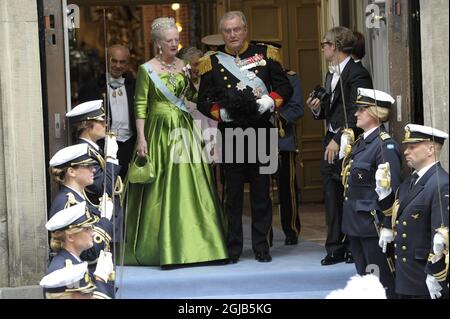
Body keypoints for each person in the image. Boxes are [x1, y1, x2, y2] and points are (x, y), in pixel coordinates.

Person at [123, 17, 228, 267]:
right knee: (164, 186)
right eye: (169, 41)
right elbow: (140, 105)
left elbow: (191, 96)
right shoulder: (146, 69)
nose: (174, 44)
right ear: (158, 43)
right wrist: (141, 137)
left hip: (184, 128)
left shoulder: (182, 64)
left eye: (176, 40)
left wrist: (194, 79)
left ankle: (203, 246)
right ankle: (166, 249)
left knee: (193, 186)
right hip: (158, 130)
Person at [197, 11, 293, 263]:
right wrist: (220, 113)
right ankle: (233, 248)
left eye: (236, 29)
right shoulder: (213, 61)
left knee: (262, 194)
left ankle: (262, 247)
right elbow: (203, 100)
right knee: (233, 196)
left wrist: (269, 102)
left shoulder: (267, 54)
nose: (232, 35)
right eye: (227, 31)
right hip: (231, 134)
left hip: (261, 132)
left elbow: (285, 87)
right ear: (223, 34)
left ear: (245, 30)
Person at [306, 26, 373, 266]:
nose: (322, 47)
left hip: (350, 144)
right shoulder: (330, 74)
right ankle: (334, 247)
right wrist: (316, 109)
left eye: (325, 44)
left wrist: (340, 138)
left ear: (334, 47)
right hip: (330, 142)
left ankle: (352, 247)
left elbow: (359, 111)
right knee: (331, 195)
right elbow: (329, 111)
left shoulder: (358, 73)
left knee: (350, 196)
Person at [341, 88, 401, 299]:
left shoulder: (385, 145)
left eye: (361, 110)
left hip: (373, 227)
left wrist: (387, 225)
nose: (356, 114)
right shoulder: (361, 142)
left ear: (375, 113)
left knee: (380, 284)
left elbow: (391, 189)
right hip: (356, 224)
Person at [377, 124, 449, 298]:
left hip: (423, 277)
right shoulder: (410, 182)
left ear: (430, 149)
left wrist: (436, 274)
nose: (406, 151)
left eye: (412, 146)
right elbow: (400, 217)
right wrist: (384, 194)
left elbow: (441, 234)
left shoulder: (441, 183)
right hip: (406, 274)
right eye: (406, 147)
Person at [45, 144, 116, 298]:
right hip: (87, 276)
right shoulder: (66, 202)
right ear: (71, 171)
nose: (94, 170)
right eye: (88, 166)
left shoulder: (80, 198)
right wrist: (104, 220)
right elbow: (87, 252)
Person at [66, 99, 123, 243]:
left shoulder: (93, 149)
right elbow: (105, 188)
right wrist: (111, 157)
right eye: (101, 121)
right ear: (86, 124)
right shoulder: (83, 153)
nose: (105, 124)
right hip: (97, 221)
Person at [78, 44, 136, 180]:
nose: (118, 65)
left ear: (128, 64)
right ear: (106, 61)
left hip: (129, 145)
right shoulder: (91, 87)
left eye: (122, 62)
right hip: (103, 145)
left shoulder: (135, 86)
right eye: (114, 61)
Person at [40, 201, 115, 299]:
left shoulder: (73, 260)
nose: (93, 233)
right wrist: (101, 278)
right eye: (87, 229)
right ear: (70, 236)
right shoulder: (65, 270)